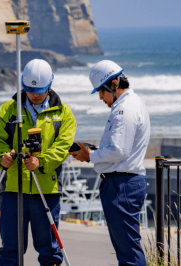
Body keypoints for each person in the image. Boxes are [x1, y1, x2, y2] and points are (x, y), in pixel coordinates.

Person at [0, 59, 76, 266]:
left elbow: (63, 146)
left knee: (49, 252)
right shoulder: (8, 110)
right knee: (10, 251)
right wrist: (2, 156)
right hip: (13, 189)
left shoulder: (63, 114)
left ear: (50, 85)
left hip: (46, 190)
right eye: (30, 90)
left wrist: (41, 161)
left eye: (40, 90)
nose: (35, 95)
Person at [70, 60, 150, 266]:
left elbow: (118, 150)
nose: (100, 97)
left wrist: (89, 156)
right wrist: (94, 152)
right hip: (122, 183)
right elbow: (120, 148)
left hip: (121, 185)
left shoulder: (125, 109)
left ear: (114, 84)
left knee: (129, 253)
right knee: (127, 249)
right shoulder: (130, 104)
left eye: (101, 91)